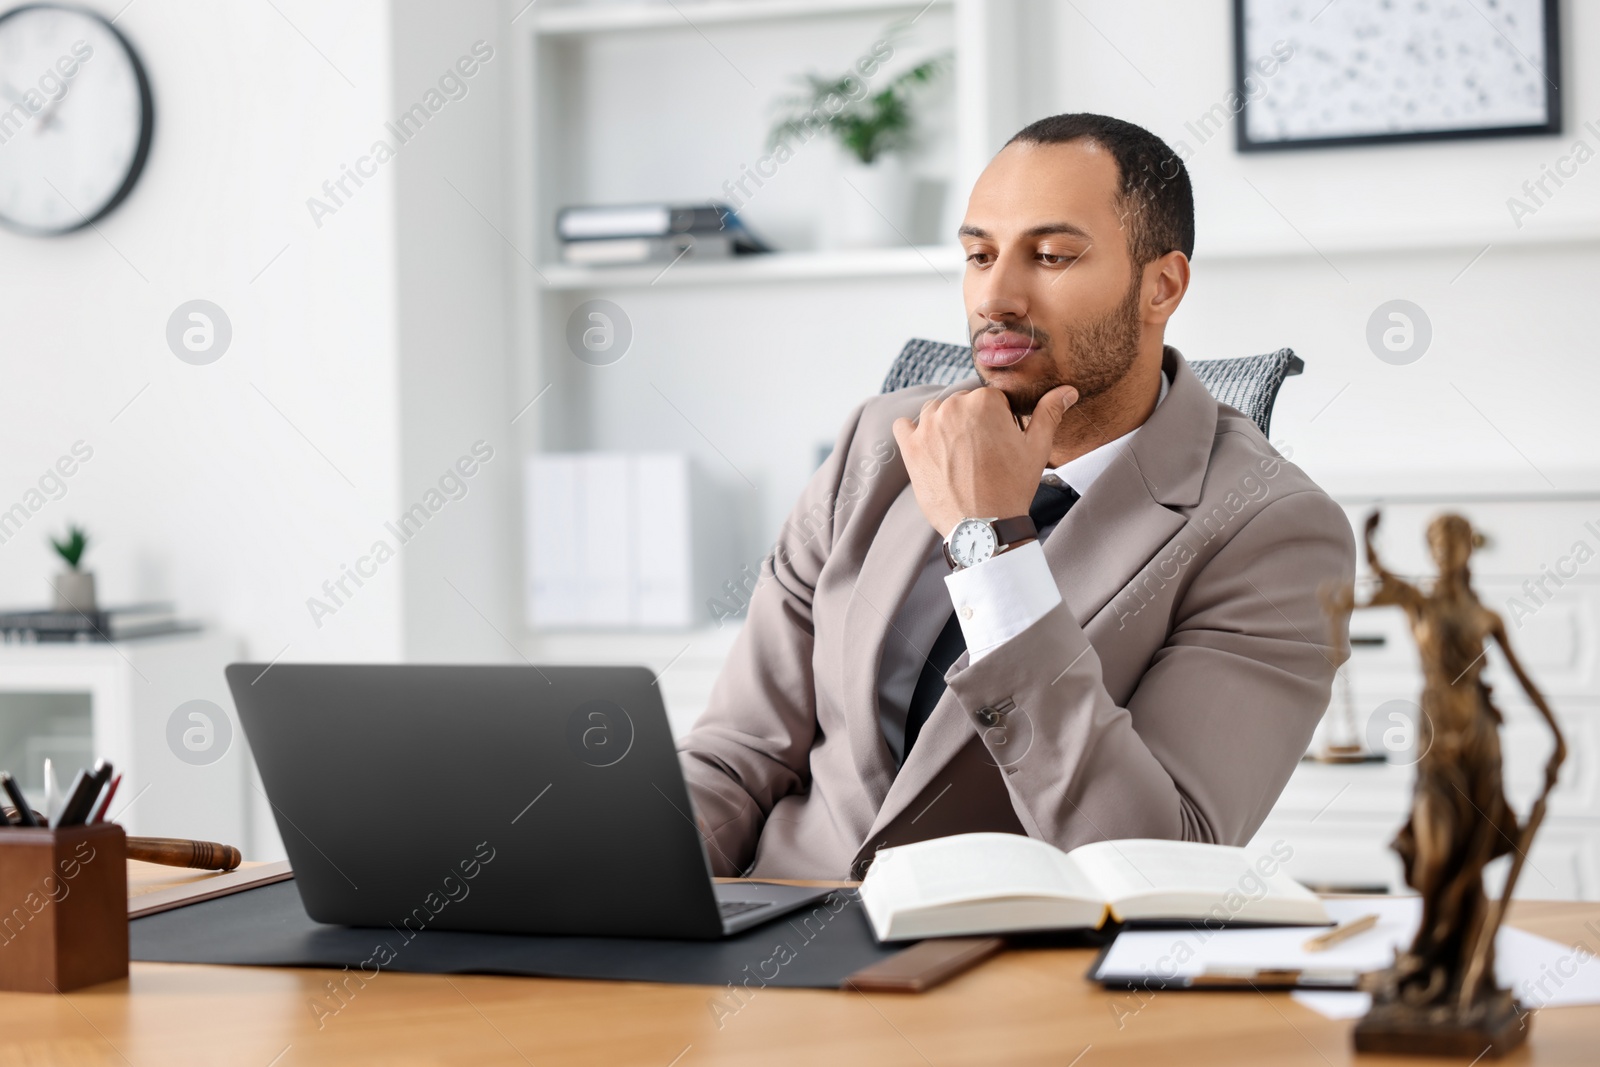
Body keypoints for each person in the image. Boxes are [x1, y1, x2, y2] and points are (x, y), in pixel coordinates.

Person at [678, 113, 1356, 879]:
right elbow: (736, 756)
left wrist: (989, 544)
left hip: (1018, 977)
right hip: (775, 948)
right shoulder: (878, 442)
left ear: (1161, 286)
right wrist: (618, 873)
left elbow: (1162, 856)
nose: (995, 297)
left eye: (1052, 255)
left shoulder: (1276, 530)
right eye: (978, 254)